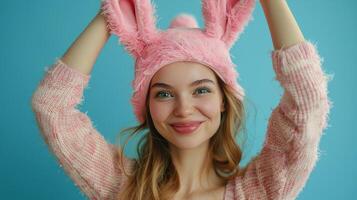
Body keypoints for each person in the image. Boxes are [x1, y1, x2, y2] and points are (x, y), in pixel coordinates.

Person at [31, 0, 332, 199]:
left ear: (224, 99)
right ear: (146, 106)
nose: (184, 109)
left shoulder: (261, 190)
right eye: (163, 93)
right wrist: (113, 8)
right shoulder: (120, 186)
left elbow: (307, 102)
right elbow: (51, 107)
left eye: (201, 89)